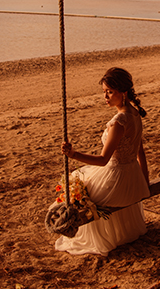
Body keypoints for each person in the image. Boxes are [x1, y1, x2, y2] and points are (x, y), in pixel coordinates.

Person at [54, 67, 150, 256]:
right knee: (81, 181)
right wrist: (144, 181)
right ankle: (118, 233)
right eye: (104, 92)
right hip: (132, 175)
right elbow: (141, 152)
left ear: (123, 93)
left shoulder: (119, 122)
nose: (105, 97)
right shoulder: (135, 114)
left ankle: (93, 236)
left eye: (110, 92)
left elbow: (104, 160)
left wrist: (73, 154)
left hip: (117, 176)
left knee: (79, 186)